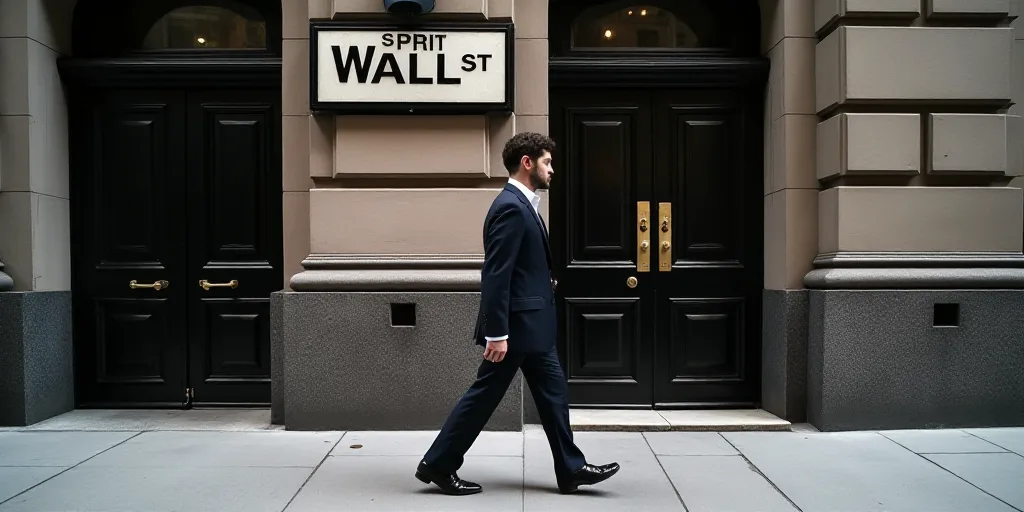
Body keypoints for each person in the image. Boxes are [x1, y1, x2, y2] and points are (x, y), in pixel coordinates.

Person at [415, 132, 620, 495]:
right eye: (547, 162)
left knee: (553, 395)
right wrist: (497, 333)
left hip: (533, 327)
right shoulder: (511, 206)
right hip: (515, 331)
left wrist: (544, 282)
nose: (552, 169)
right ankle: (438, 463)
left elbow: (521, 268)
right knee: (483, 397)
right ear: (527, 163)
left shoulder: (525, 203)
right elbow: (496, 273)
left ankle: (571, 469)